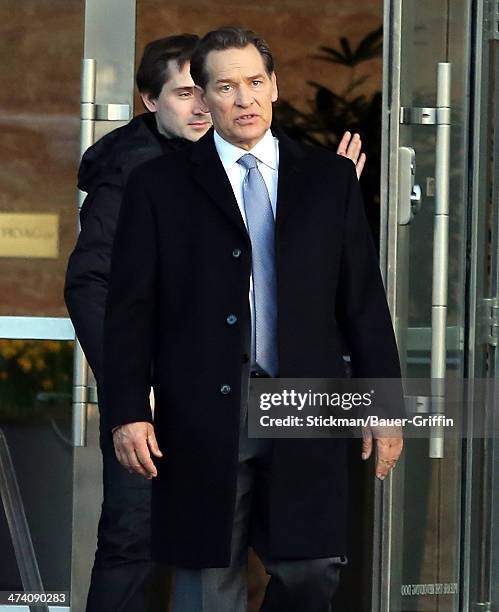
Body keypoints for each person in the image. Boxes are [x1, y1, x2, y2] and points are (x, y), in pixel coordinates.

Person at [103, 27, 403, 612]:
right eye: (225, 87)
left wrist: (384, 407)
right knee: (205, 583)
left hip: (305, 403)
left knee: (313, 570)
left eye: (254, 83)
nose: (243, 99)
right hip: (203, 409)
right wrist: (128, 411)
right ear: (204, 98)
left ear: (274, 87)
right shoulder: (158, 186)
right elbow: (130, 310)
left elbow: (363, 301)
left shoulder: (328, 179)